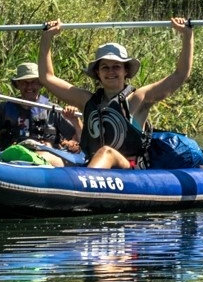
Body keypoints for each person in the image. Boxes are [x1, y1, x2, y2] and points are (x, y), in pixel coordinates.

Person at [38, 18, 192, 169]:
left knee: (106, 152)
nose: (110, 71)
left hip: (129, 168)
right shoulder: (86, 100)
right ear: (98, 72)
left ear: (126, 71)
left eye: (116, 66)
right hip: (93, 164)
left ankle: (86, 188)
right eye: (105, 67)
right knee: (44, 156)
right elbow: (47, 77)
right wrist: (47, 37)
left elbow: (180, 74)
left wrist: (187, 35)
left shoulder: (138, 98)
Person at [0, 62, 81, 163]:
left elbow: (81, 138)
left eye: (34, 82)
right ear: (17, 84)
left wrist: (76, 120)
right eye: (25, 82)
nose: (29, 86)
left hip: (44, 159)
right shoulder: (4, 108)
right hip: (11, 159)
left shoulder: (53, 110)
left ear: (41, 84)